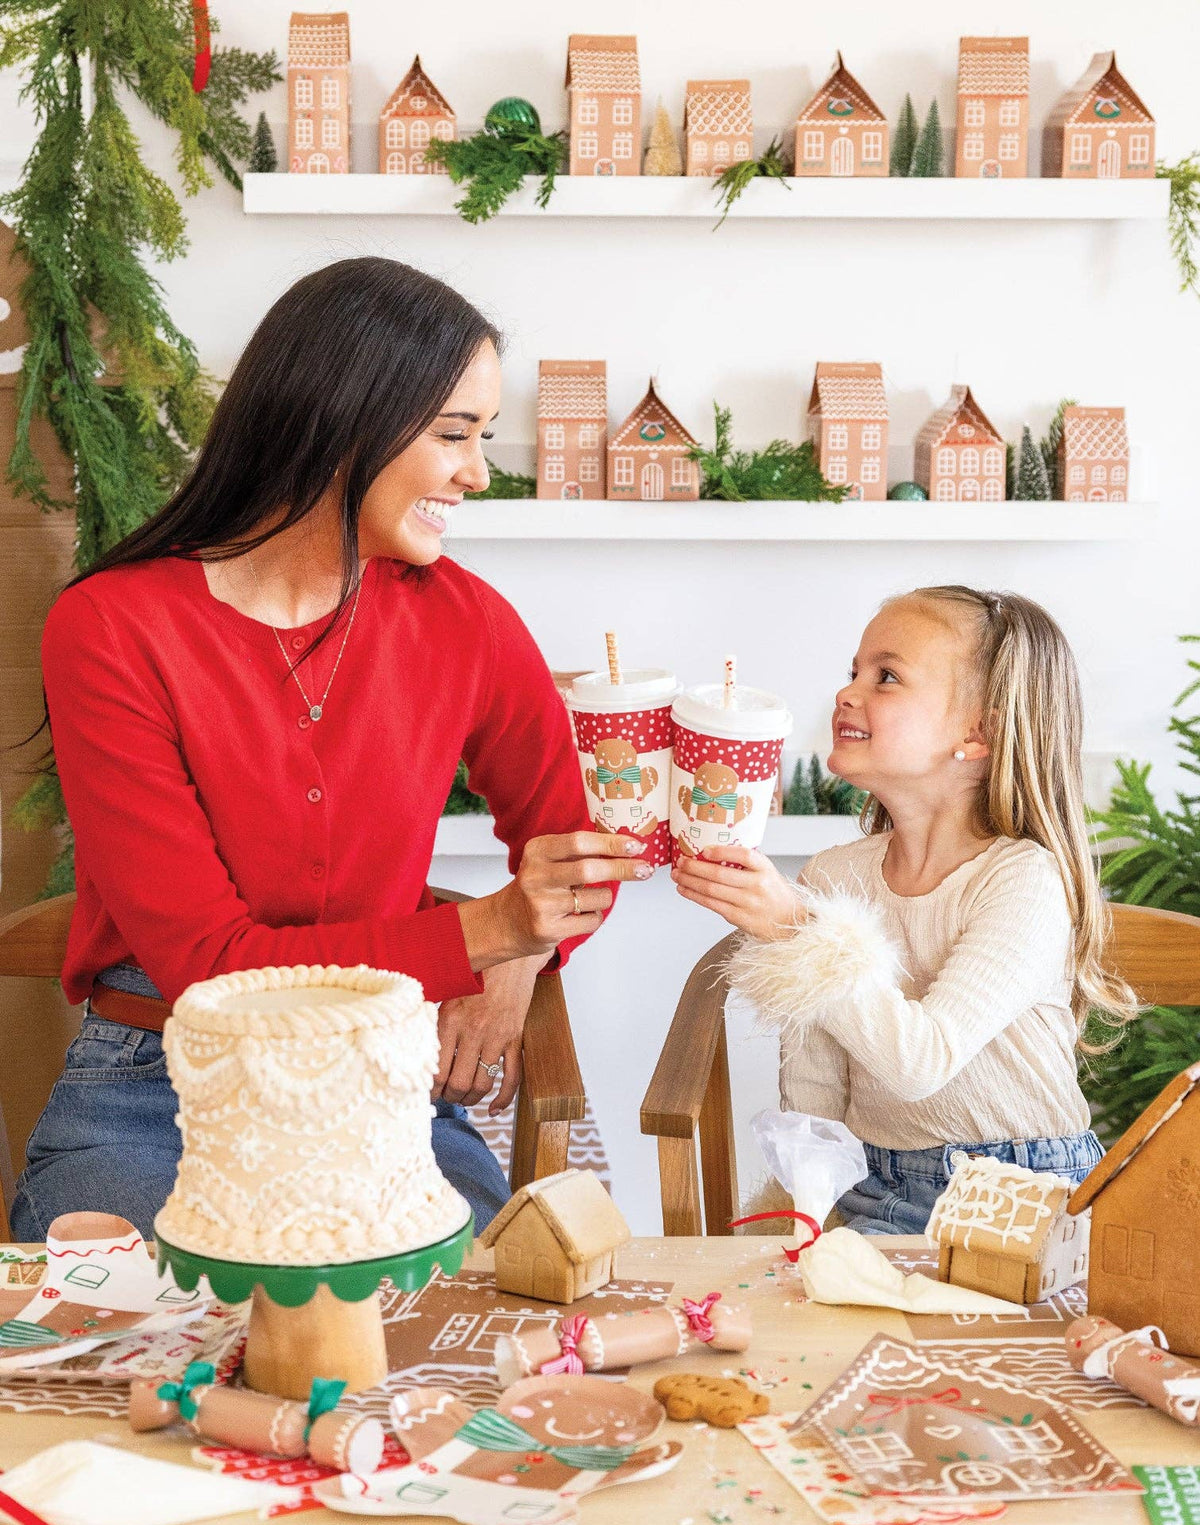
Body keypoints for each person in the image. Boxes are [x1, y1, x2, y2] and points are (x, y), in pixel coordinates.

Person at [11, 257, 651, 1242]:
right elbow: (213, 963)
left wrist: (521, 954)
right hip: (156, 1093)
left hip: (389, 1089)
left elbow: (574, 850)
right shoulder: (112, 626)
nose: (478, 471)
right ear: (342, 418)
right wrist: (486, 934)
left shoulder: (469, 624)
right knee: (138, 1333)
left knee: (453, 1334)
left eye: (483, 436)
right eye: (454, 435)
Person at [672, 586, 1138, 1233]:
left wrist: (796, 930)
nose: (849, 692)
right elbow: (816, 1089)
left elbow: (921, 1062)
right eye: (854, 672)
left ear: (978, 731)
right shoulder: (834, 875)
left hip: (1023, 1197)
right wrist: (809, 1205)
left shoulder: (1023, 879)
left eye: (886, 676)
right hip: (868, 1183)